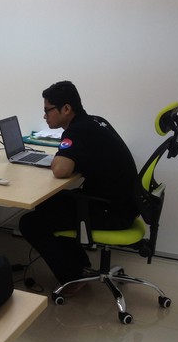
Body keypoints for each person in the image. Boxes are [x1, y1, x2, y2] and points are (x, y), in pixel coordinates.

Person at [18, 81, 138, 296]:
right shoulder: (96, 121)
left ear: (66, 109)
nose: (45, 116)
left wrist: (62, 157)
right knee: (48, 203)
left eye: (48, 110)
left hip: (111, 211)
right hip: (123, 203)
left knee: (30, 223)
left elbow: (60, 170)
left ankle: (71, 277)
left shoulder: (78, 131)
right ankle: (79, 265)